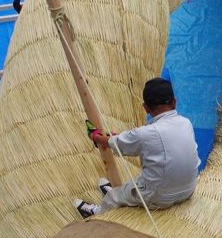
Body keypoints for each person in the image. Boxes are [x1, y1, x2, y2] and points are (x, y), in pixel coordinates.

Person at [75, 78, 200, 218]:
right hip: (189, 189)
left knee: (112, 196)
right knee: (138, 181)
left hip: (160, 197)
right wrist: (119, 139)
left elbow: (115, 143)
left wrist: (96, 137)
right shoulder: (186, 123)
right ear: (174, 102)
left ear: (145, 107)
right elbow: (134, 140)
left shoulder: (145, 133)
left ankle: (96, 213)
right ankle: (124, 193)